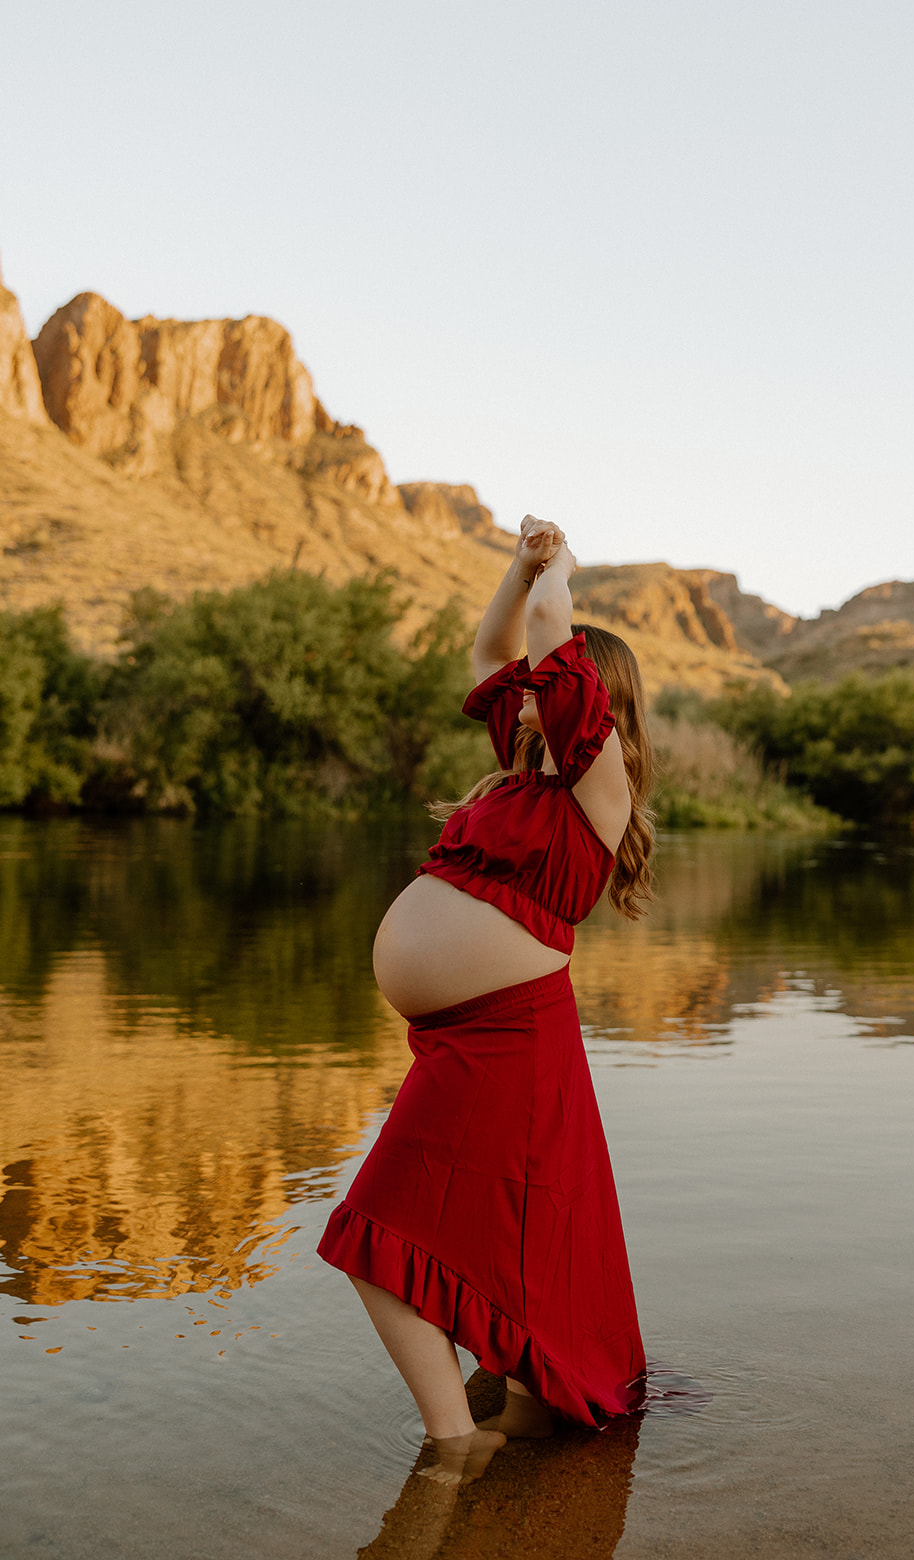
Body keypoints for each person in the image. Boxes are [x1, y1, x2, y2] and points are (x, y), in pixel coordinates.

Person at [318, 515, 655, 1486]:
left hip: (508, 1044)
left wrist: (562, 568)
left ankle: (454, 1448)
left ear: (594, 704)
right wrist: (516, 570)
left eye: (563, 687)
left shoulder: (600, 796)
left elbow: (548, 644)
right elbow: (494, 648)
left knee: (377, 1240)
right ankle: (501, 1414)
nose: (537, 698)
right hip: (468, 1040)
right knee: (418, 1237)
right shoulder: (519, 780)